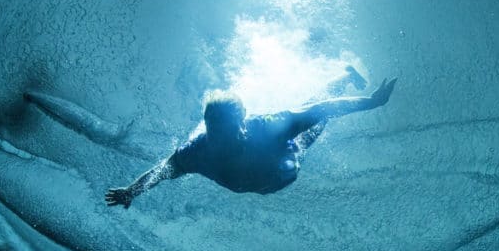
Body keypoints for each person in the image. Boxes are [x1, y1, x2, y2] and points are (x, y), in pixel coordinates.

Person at [105, 68, 396, 208]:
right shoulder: (198, 151)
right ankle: (342, 76)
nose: (220, 138)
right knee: (316, 117)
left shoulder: (268, 128)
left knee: (316, 120)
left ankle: (342, 76)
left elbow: (321, 108)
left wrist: (371, 101)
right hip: (264, 180)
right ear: (207, 127)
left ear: (241, 122)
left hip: (286, 161)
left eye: (227, 130)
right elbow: (164, 170)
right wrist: (133, 190)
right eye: (214, 130)